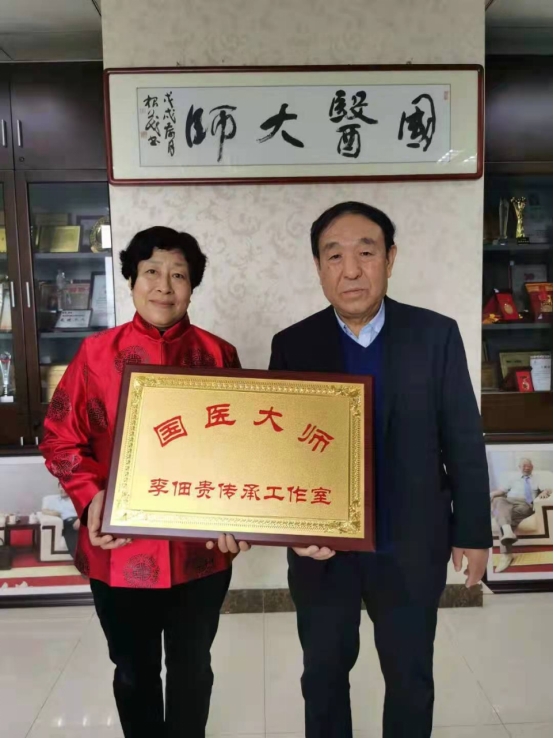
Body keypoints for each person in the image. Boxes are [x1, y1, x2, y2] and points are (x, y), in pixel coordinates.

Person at [269, 202, 492, 738]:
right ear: (318, 267)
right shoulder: (293, 344)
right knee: (323, 678)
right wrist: (292, 530)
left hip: (410, 544)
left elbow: (463, 437)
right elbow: (279, 456)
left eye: (366, 253)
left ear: (390, 259)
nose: (351, 270)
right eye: (334, 256)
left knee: (410, 678)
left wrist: (473, 531)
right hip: (324, 553)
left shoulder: (435, 335)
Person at [41, 226, 249, 738]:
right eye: (151, 271)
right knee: (133, 671)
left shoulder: (219, 355)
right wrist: (92, 498)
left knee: (193, 669)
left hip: (200, 552)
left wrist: (242, 516)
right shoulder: (94, 354)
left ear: (192, 286)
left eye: (178, 274)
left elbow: (242, 451)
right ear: (131, 280)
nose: (163, 285)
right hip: (118, 550)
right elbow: (59, 439)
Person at [491, 457, 552, 573]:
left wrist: (545, 491)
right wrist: (492, 494)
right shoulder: (512, 478)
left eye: (528, 465)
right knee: (497, 500)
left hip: (525, 505)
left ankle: (506, 555)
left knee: (500, 516)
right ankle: (507, 532)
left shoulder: (537, 478)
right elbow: (502, 491)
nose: (526, 468)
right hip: (508, 501)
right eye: (524, 465)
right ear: (519, 467)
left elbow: (549, 489)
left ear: (532, 467)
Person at [41, 482, 80, 558]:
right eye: (61, 487)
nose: (63, 489)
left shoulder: (76, 499)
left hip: (79, 520)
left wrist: (80, 519)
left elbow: (86, 510)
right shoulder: (53, 500)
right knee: (72, 533)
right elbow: (44, 510)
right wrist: (53, 513)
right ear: (59, 488)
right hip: (67, 522)